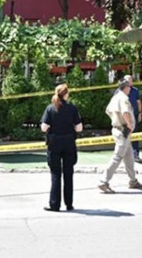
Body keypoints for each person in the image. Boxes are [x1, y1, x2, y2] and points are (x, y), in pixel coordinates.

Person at [40, 84, 83, 212]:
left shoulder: (50, 108)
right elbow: (79, 128)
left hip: (54, 144)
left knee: (55, 174)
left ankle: (54, 204)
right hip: (69, 143)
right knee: (68, 174)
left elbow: (44, 127)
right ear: (66, 94)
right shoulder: (72, 108)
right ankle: (69, 204)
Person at [98, 79, 142, 193]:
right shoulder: (123, 98)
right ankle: (103, 181)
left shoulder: (116, 97)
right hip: (123, 130)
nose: (130, 89)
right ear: (126, 87)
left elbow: (108, 110)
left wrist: (116, 120)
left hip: (119, 129)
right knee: (117, 157)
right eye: (129, 87)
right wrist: (129, 124)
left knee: (129, 156)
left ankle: (133, 180)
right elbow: (125, 112)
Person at [123, 75, 142, 164]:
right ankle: (124, 155)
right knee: (124, 136)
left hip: (134, 116)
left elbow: (138, 102)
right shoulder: (120, 92)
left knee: (135, 136)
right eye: (128, 80)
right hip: (124, 117)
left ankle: (136, 155)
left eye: (131, 80)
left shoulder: (135, 91)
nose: (129, 82)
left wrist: (140, 113)